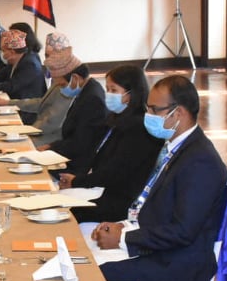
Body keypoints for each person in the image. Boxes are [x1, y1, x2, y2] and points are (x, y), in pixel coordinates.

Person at [91, 75, 227, 281]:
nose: (148, 115)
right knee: (83, 261)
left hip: (174, 268)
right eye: (148, 108)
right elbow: (158, 207)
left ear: (178, 113)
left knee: (90, 274)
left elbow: (183, 231)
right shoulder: (177, 147)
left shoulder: (200, 161)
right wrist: (124, 226)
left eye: (155, 110)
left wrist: (124, 239)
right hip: (159, 251)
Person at [61, 65, 163, 223]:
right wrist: (78, 178)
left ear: (130, 94)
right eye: (107, 89)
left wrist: (77, 181)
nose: (108, 94)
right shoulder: (118, 119)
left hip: (122, 201)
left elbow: (115, 172)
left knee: (67, 213)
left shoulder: (138, 128)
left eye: (114, 90)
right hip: (108, 190)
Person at [35, 38, 107, 173]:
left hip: (76, 165)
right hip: (68, 153)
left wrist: (51, 148)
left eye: (62, 85)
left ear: (75, 78)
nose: (62, 89)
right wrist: (51, 146)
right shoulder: (86, 90)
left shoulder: (92, 99)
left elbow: (81, 142)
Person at [0, 31, 75, 137]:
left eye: (54, 56)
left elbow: (53, 122)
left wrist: (28, 132)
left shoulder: (69, 82)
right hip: (38, 129)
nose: (48, 60)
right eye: (47, 56)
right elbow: (41, 103)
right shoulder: (59, 76)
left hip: (49, 137)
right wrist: (8, 103)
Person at [0, 28, 45, 100]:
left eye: (3, 51)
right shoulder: (16, 60)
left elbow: (11, 86)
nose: (3, 54)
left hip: (24, 104)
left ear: (12, 52)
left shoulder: (29, 64)